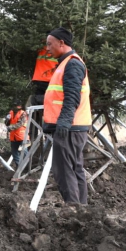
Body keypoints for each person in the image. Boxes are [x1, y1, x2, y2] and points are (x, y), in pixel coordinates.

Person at [43, 27, 92, 205]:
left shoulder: (72, 64)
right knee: (74, 168)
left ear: (61, 43)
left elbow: (72, 96)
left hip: (69, 127)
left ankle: (73, 209)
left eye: (50, 44)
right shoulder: (67, 63)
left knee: (64, 170)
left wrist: (63, 122)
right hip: (73, 127)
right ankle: (82, 209)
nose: (47, 48)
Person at [26, 43, 58, 141]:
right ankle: (49, 133)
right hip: (51, 80)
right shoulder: (57, 49)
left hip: (38, 78)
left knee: (38, 108)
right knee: (51, 105)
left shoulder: (40, 47)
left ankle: (33, 136)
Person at [4, 101, 28, 168]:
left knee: (24, 151)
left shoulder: (23, 113)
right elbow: (6, 123)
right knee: (14, 152)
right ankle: (19, 166)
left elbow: (20, 124)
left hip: (22, 136)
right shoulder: (10, 113)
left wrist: (11, 127)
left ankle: (27, 166)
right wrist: (7, 119)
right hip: (13, 136)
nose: (18, 107)